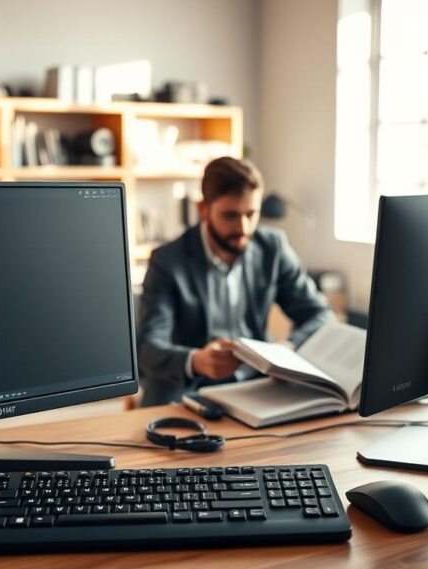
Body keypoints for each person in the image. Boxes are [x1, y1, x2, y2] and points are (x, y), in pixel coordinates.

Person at [137, 156, 334, 406]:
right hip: (185, 393)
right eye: (230, 215)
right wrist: (197, 360)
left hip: (256, 387)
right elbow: (147, 348)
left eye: (251, 214)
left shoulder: (273, 247)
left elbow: (321, 315)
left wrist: (288, 347)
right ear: (203, 209)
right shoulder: (167, 261)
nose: (243, 228)